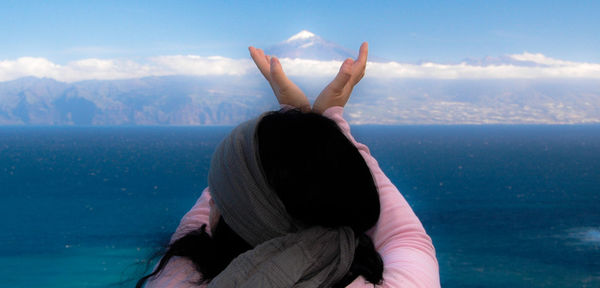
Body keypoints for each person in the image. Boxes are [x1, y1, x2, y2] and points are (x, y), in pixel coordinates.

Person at [137, 43, 440, 287]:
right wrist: (329, 121)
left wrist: (296, 118)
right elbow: (405, 237)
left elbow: (203, 218)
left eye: (223, 196)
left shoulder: (176, 280)